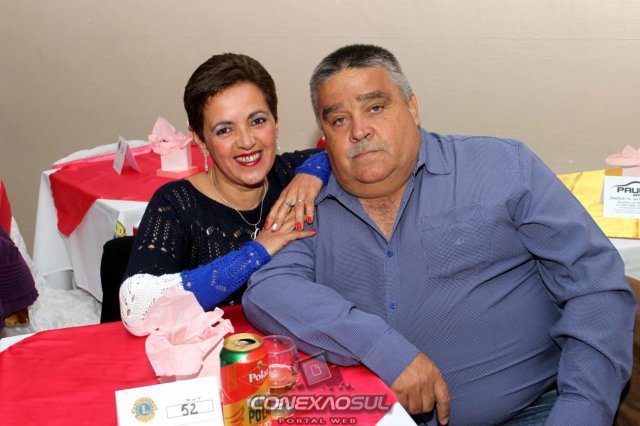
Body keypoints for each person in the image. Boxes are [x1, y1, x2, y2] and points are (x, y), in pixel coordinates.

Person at [242, 44, 636, 425]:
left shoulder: (502, 167)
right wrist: (382, 348)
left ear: (412, 108)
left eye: (375, 107)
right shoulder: (309, 208)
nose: (359, 130)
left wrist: (581, 411)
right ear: (325, 135)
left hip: (534, 411)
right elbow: (268, 289)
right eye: (339, 120)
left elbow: (595, 288)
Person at [119, 53, 330, 336]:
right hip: (213, 357)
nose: (247, 141)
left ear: (276, 121)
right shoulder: (176, 203)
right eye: (224, 130)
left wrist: (313, 172)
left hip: (292, 347)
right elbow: (137, 310)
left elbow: (351, 150)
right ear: (201, 141)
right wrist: (257, 252)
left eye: (257, 121)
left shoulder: (293, 173)